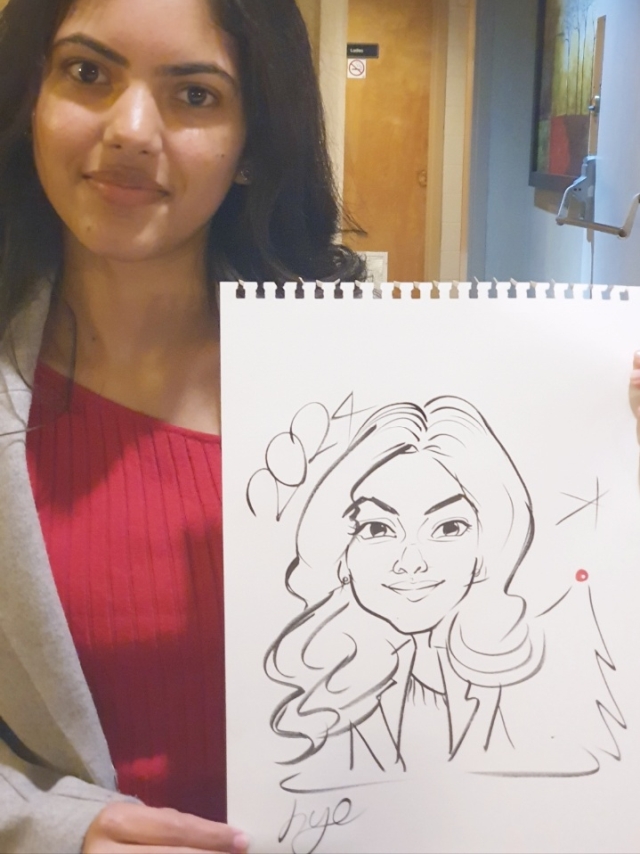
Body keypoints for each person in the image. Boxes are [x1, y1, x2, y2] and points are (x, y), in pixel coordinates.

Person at [0, 0, 365, 851]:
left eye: (195, 95)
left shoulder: (366, 380)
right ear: (30, 97)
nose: (131, 130)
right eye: (88, 73)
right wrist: (52, 830)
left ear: (253, 146)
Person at [266, 398, 544, 777]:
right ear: (341, 553)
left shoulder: (537, 680)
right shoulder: (311, 689)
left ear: (488, 544)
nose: (411, 561)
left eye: (448, 528)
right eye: (378, 528)